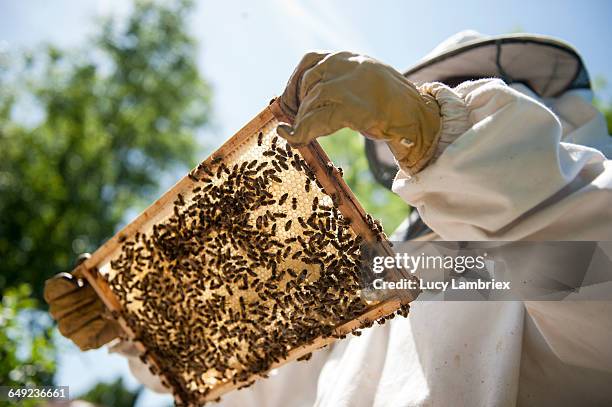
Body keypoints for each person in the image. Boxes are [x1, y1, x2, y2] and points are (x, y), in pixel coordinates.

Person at [45, 31, 612, 406]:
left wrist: (436, 128)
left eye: (469, 95)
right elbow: (254, 382)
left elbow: (586, 268)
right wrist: (143, 326)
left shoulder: (541, 258)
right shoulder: (382, 286)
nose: (453, 100)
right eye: (439, 94)